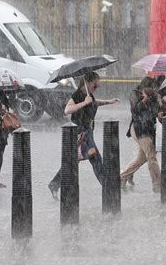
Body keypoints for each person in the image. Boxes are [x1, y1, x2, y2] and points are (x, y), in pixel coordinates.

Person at [48, 71, 119, 200]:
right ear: (88, 82)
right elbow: (67, 110)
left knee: (72, 162)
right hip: (81, 132)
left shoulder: (89, 94)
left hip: (88, 131)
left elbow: (95, 102)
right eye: (95, 84)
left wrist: (109, 102)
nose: (97, 87)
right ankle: (106, 186)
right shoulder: (78, 95)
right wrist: (84, 103)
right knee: (95, 157)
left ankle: (54, 184)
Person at [120, 77, 163, 193]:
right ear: (145, 87)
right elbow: (134, 110)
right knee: (151, 156)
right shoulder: (135, 93)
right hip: (139, 129)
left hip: (149, 130)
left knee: (142, 157)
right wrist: (144, 100)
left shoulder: (154, 96)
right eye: (152, 88)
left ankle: (123, 176)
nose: (154, 90)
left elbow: (156, 113)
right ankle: (157, 185)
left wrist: (162, 105)